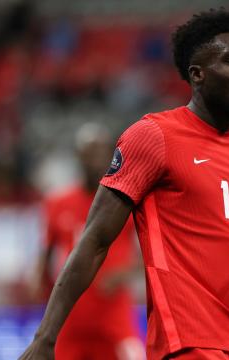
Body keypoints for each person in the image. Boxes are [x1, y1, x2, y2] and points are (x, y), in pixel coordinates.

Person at [20, 9, 229, 360]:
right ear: (198, 75)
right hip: (187, 346)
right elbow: (94, 241)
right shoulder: (154, 137)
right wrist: (46, 338)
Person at [34, 123, 144, 360]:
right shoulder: (57, 203)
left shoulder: (125, 200)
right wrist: (42, 289)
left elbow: (150, 253)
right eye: (89, 153)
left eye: (100, 153)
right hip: (71, 316)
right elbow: (45, 255)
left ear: (110, 157)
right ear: (78, 156)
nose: (94, 160)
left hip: (113, 315)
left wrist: (121, 275)